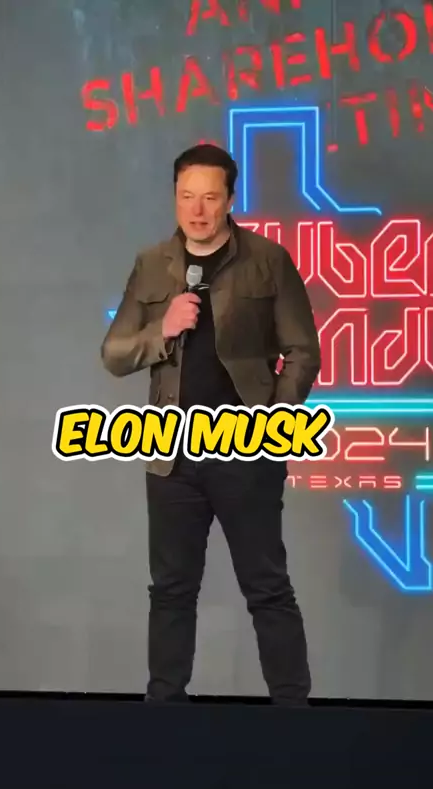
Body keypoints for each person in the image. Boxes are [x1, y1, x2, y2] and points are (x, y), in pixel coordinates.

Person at [101, 144, 321, 704]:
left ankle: (295, 719)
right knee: (171, 591)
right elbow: (114, 353)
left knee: (267, 588)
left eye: (209, 197)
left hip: (246, 453)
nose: (197, 210)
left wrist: (274, 422)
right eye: (186, 197)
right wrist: (163, 330)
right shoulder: (152, 264)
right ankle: (165, 716)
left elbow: (302, 350)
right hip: (170, 456)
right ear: (174, 197)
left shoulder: (267, 260)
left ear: (230, 200)